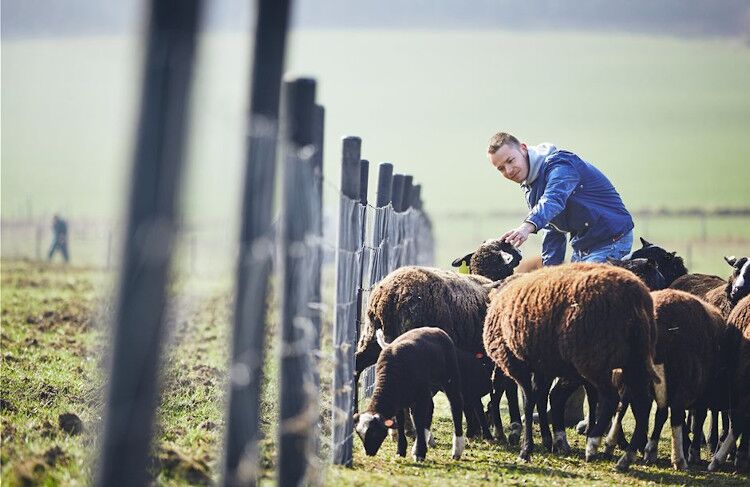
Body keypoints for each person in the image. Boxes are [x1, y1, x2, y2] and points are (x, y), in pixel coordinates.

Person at [487, 132, 634, 428]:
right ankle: (570, 411)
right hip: (585, 246)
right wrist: (547, 279)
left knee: (582, 313)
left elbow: (553, 201)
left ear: (524, 150)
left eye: (511, 161)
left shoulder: (560, 165)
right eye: (500, 168)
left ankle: (603, 409)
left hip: (611, 240)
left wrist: (528, 226)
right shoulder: (530, 186)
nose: (509, 171)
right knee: (564, 309)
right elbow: (554, 232)